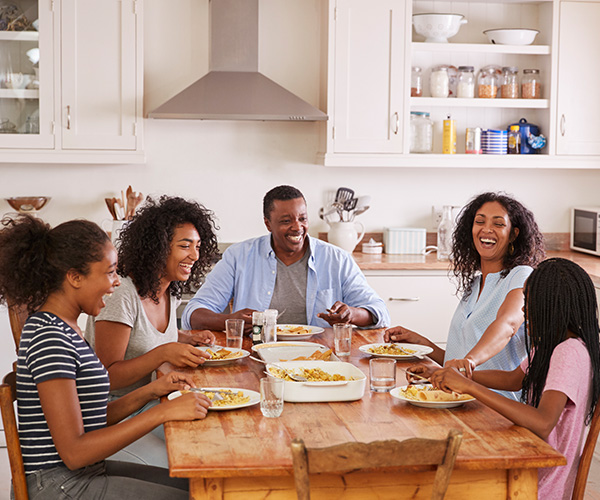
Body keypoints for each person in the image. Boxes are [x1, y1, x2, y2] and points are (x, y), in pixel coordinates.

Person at [0, 214, 212, 499]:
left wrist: (151, 392)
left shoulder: (67, 326)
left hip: (83, 473)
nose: (115, 283)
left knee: (201, 486)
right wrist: (163, 412)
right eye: (109, 272)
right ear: (74, 277)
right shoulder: (49, 337)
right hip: (59, 485)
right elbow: (75, 452)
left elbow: (92, 417)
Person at [428, 258, 600, 500]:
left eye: (528, 303)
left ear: (551, 307)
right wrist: (459, 374)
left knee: (445, 483)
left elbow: (542, 422)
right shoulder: (552, 345)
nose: (523, 311)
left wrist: (469, 386)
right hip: (529, 464)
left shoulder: (569, 352)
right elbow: (514, 379)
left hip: (539, 484)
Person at [385, 192, 545, 399]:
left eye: (498, 224)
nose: (486, 229)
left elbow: (508, 325)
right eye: (480, 221)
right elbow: (458, 362)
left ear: (514, 234)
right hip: (461, 398)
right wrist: (421, 343)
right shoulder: (475, 284)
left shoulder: (521, 275)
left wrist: (469, 361)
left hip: (497, 407)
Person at [182, 185, 390, 331]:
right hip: (256, 356)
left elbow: (379, 312)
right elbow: (193, 314)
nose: (297, 227)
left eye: (302, 218)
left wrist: (351, 314)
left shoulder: (337, 259)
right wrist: (228, 321)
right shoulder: (239, 256)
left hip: (321, 358)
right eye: (285, 221)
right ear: (267, 224)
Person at [86, 195, 220, 397]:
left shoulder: (169, 289)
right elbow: (107, 377)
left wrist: (186, 339)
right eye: (185, 246)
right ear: (158, 247)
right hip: (116, 409)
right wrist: (165, 352)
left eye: (198, 246)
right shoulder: (121, 293)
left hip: (155, 397)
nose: (195, 255)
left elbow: (141, 337)